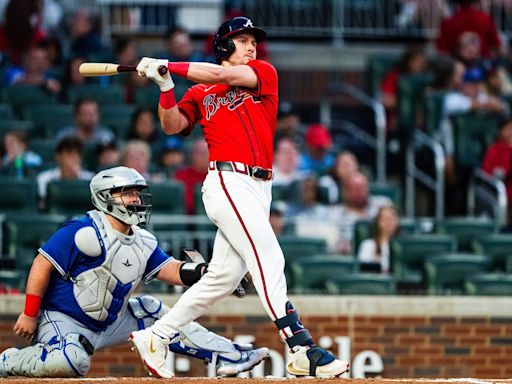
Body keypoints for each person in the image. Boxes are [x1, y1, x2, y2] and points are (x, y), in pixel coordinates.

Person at [130, 16, 349, 378]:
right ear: (223, 46)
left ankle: (157, 334)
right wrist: (165, 85)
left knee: (224, 278)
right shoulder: (198, 92)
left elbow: (220, 76)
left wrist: (172, 64)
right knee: (269, 257)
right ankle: (299, 346)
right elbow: (172, 125)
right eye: (243, 40)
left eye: (253, 41)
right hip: (227, 181)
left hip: (260, 187)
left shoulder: (263, 72)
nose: (251, 47)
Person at [0, 166, 269, 378]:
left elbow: (171, 270)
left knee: (152, 309)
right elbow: (41, 263)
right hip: (63, 319)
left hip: (109, 324)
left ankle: (230, 355)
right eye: (127, 192)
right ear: (106, 196)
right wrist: (29, 313)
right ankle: (9, 360)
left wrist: (208, 273)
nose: (136, 198)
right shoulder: (82, 231)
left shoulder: (142, 240)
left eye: (137, 193)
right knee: (71, 362)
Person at [36, 136, 94, 210]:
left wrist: (77, 180)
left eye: (77, 155)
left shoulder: (91, 180)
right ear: (58, 157)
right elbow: (42, 205)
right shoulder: (44, 179)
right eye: (69, 155)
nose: (74, 159)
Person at [436, 0, 502, 59]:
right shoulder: (485, 19)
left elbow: (442, 51)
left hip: (455, 66)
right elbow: (496, 46)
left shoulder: (448, 22)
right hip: (483, 66)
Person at [482, 118, 512, 224]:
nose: (510, 132)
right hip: (501, 193)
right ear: (500, 131)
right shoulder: (495, 149)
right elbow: (486, 173)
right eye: (508, 129)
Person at [357, 205, 400, 274]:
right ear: (377, 222)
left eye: (392, 219)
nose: (388, 222)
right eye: (385, 219)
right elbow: (363, 270)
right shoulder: (368, 245)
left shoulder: (402, 246)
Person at [174, 139, 209, 214]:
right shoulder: (180, 175)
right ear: (192, 155)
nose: (204, 156)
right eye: (200, 153)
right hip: (186, 217)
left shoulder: (218, 177)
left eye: (208, 153)